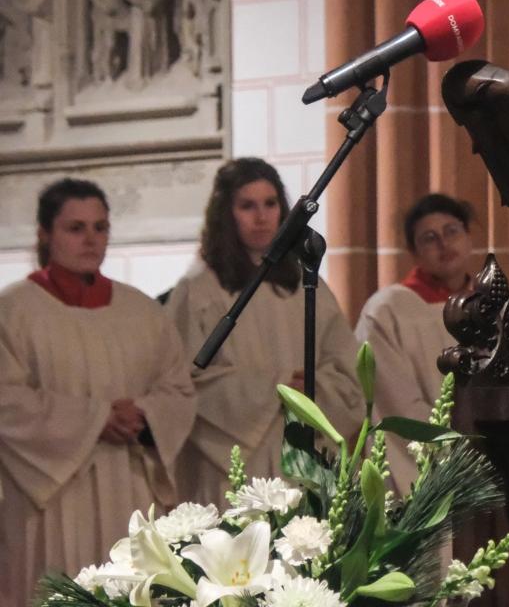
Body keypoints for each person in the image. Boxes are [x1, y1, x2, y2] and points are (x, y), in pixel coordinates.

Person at [0, 179, 196, 596]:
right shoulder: (13, 310)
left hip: (128, 484)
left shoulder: (142, 310)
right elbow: (6, 400)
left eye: (100, 227)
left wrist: (145, 414)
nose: (91, 239)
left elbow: (178, 389)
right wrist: (96, 419)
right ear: (44, 234)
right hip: (51, 495)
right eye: (76, 228)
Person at [166, 158, 364, 504]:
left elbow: (348, 372)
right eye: (247, 206)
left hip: (303, 450)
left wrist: (313, 388)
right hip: (235, 460)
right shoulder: (199, 290)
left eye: (270, 204)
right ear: (226, 214)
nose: (262, 217)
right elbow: (183, 382)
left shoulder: (308, 284)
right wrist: (274, 388)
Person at [356, 193, 509, 497]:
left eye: (452, 231)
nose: (443, 244)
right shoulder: (389, 311)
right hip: (435, 475)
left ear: (468, 237)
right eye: (429, 238)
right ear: (414, 252)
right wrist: (459, 451)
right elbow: (394, 402)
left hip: (503, 463)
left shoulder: (502, 308)